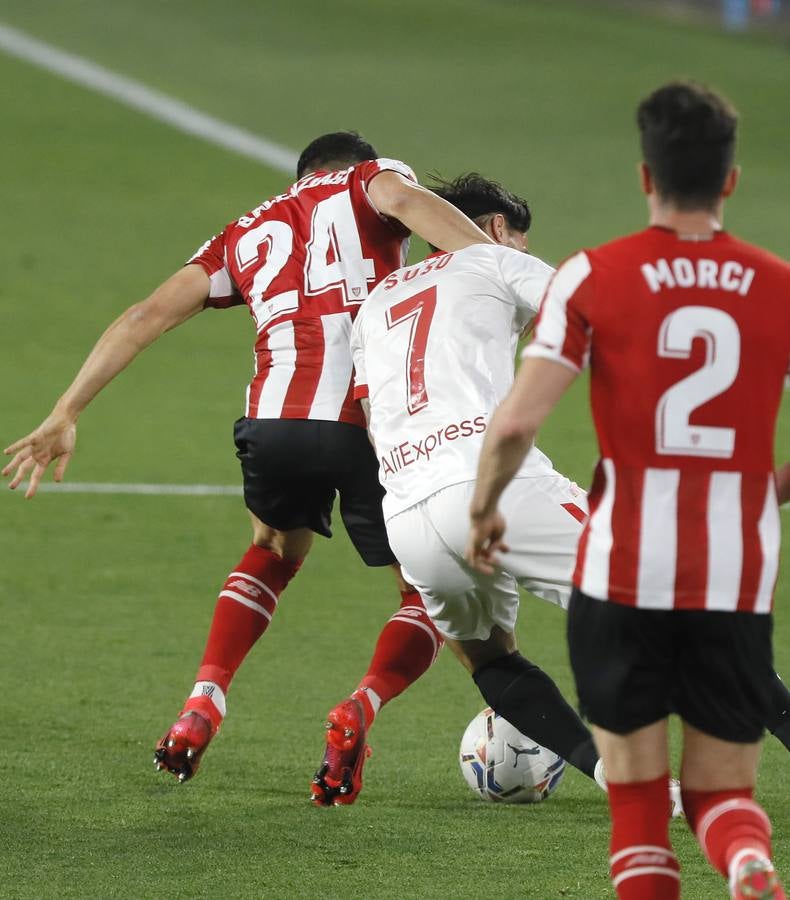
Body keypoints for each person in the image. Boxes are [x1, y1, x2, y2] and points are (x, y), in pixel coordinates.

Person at [2, 131, 492, 786]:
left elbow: (147, 315)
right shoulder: (370, 180)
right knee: (425, 586)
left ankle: (203, 700)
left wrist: (67, 410)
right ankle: (364, 704)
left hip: (275, 424)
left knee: (272, 550)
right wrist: (502, 270)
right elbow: (405, 201)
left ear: (299, 177)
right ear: (352, 165)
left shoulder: (244, 232)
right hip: (372, 425)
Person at [467, 82, 787, 900]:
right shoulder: (777, 286)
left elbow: (516, 422)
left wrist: (486, 508)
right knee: (723, 795)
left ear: (646, 177)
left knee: (641, 808)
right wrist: (766, 490)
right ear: (731, 180)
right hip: (731, 574)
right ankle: (747, 862)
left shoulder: (592, 275)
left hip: (622, 571)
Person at [335, 173, 610, 804]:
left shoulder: (373, 307)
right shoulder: (492, 259)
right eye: (521, 239)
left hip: (408, 514)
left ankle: (618, 780)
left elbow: (373, 420)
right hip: (492, 485)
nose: (523, 250)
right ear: (496, 228)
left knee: (490, 658)